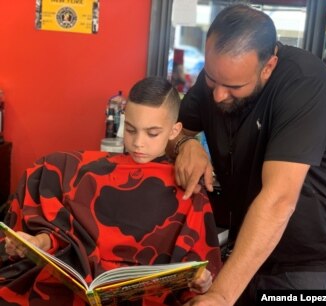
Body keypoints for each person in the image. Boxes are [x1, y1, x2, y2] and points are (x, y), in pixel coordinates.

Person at [168, 4, 326, 306]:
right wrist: (185, 145)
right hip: (246, 242)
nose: (218, 95)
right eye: (212, 79)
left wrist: (221, 295)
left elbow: (280, 198)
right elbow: (173, 131)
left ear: (267, 67)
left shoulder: (305, 81)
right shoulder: (217, 77)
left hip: (304, 256)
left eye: (233, 86)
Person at [0, 77, 222, 306]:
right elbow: (68, 233)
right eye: (131, 129)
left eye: (152, 133)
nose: (138, 143)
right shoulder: (89, 171)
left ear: (175, 130)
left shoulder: (187, 189)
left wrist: (201, 282)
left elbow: (199, 269)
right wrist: (39, 243)